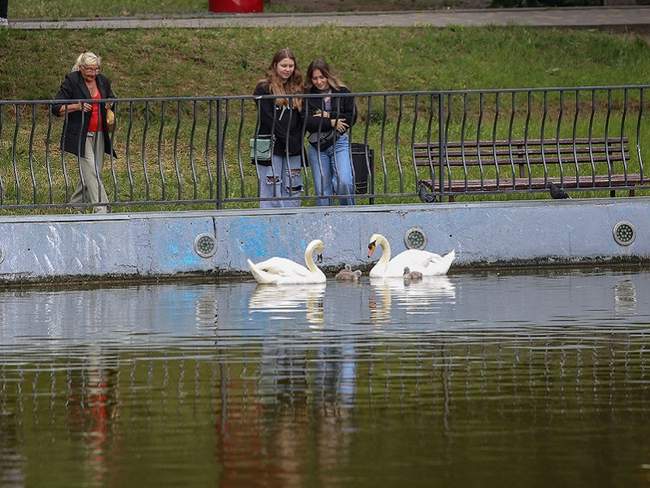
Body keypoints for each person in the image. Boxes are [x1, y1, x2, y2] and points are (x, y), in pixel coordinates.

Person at [52, 52, 115, 213]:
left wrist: (109, 103)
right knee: (92, 171)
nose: (93, 73)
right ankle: (102, 210)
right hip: (80, 134)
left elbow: (111, 97)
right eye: (89, 69)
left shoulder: (102, 80)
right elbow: (56, 108)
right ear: (81, 68)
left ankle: (76, 205)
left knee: (93, 172)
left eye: (96, 69)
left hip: (100, 132)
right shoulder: (72, 81)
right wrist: (77, 106)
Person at [253, 48, 307, 209]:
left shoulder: (298, 89)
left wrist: (297, 139)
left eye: (291, 66)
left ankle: (291, 219)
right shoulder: (264, 88)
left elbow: (302, 117)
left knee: (293, 185)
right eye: (284, 65)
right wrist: (286, 139)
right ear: (275, 65)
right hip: (270, 144)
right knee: (271, 185)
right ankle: (269, 220)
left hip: (294, 145)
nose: (287, 69)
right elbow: (268, 118)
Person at [304, 59, 356, 206]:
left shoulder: (342, 92)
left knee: (344, 181)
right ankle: (325, 222)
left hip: (338, 142)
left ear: (328, 75)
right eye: (315, 78)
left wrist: (326, 115)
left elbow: (350, 117)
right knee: (322, 190)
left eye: (322, 77)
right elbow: (308, 122)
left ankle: (349, 215)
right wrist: (332, 122)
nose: (319, 81)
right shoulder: (308, 95)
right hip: (317, 146)